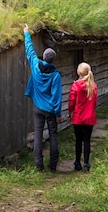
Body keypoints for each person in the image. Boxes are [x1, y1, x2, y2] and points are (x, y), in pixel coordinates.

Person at [23, 23, 63, 172]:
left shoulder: (35, 64)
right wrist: (58, 114)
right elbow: (56, 96)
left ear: (43, 57)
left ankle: (39, 165)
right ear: (53, 60)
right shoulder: (55, 75)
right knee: (53, 134)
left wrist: (26, 33)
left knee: (38, 134)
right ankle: (53, 165)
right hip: (51, 110)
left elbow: (30, 50)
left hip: (37, 108)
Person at [68, 62, 98, 172]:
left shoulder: (75, 85)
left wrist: (70, 112)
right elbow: (94, 102)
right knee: (87, 140)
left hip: (78, 117)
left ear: (78, 72)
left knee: (78, 140)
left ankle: (77, 162)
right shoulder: (93, 86)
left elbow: (72, 102)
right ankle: (86, 163)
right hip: (89, 117)